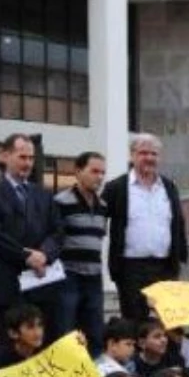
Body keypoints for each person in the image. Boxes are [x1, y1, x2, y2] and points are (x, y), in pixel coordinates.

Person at [0, 133, 64, 347]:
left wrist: (44, 254)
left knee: (43, 348)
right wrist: (26, 256)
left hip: (41, 284)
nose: (27, 163)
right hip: (7, 285)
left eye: (31, 158)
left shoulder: (43, 195)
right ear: (5, 156)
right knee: (8, 348)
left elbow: (58, 232)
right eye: (22, 157)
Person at [103, 134, 189, 321]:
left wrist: (180, 257)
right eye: (143, 153)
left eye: (154, 153)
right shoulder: (116, 188)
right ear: (132, 156)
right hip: (130, 268)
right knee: (134, 321)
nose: (149, 158)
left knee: (169, 320)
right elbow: (99, 220)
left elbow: (177, 223)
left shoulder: (169, 187)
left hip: (165, 266)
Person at [56, 152, 108, 356]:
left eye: (103, 172)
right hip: (69, 276)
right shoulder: (61, 201)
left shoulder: (103, 206)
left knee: (95, 331)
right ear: (78, 171)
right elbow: (55, 238)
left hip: (94, 277)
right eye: (94, 171)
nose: (100, 177)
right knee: (67, 331)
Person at [0, 304, 45, 373]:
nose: (38, 333)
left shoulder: (46, 352)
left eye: (40, 325)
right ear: (13, 333)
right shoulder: (1, 359)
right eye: (30, 327)